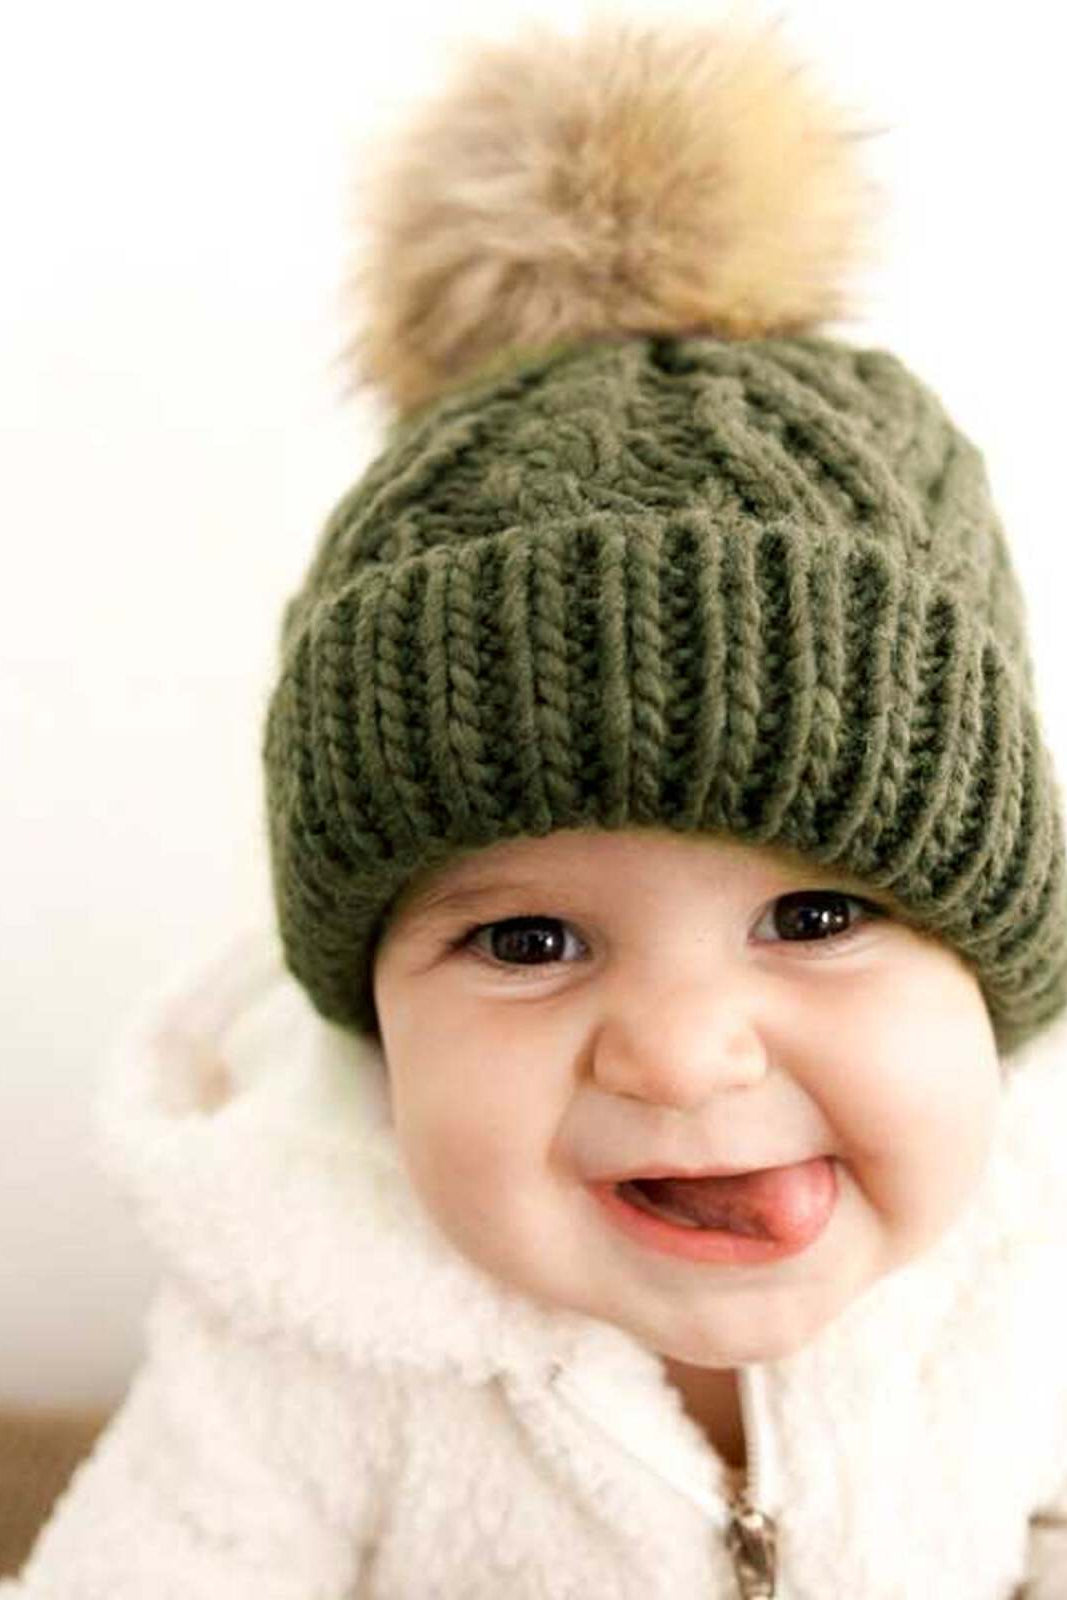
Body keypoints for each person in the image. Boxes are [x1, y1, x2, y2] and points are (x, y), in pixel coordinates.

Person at [7, 15, 1067, 1598]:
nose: (683, 1050)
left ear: (997, 969)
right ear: (369, 1004)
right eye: (527, 937)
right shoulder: (303, 1336)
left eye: (821, 914)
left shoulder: (1028, 1258)